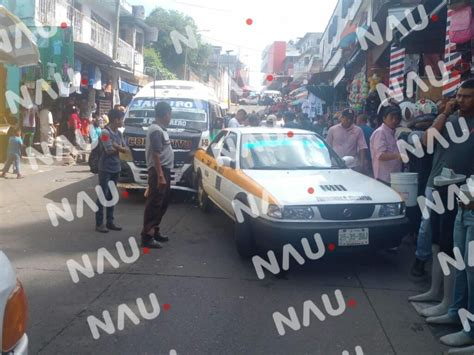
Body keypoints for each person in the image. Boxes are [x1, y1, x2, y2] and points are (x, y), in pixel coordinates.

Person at [411, 79, 474, 277]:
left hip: (465, 189)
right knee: (428, 226)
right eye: (459, 96)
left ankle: (453, 280)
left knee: (455, 233)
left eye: (467, 96)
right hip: (437, 182)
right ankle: (421, 259)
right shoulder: (448, 120)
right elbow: (426, 140)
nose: (461, 100)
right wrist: (444, 113)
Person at [141, 102, 174, 249]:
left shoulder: (161, 129)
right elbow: (156, 154)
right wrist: (160, 175)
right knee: (155, 203)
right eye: (170, 114)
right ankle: (147, 236)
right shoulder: (156, 130)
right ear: (165, 114)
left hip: (164, 170)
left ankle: (155, 231)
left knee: (163, 202)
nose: (170, 117)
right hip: (158, 171)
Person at [95, 109, 127, 233]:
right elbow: (108, 150)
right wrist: (119, 148)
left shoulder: (119, 133)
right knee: (103, 194)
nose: (122, 122)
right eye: (121, 119)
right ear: (115, 120)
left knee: (112, 195)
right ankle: (99, 223)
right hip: (105, 168)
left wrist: (116, 146)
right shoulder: (104, 132)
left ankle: (110, 221)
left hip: (116, 167)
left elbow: (125, 149)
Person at [369, 107, 404, 184]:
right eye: (391, 118)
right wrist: (398, 156)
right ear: (384, 118)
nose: (394, 120)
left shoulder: (393, 133)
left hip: (393, 176)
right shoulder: (380, 132)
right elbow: (380, 155)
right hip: (383, 178)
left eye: (397, 118)